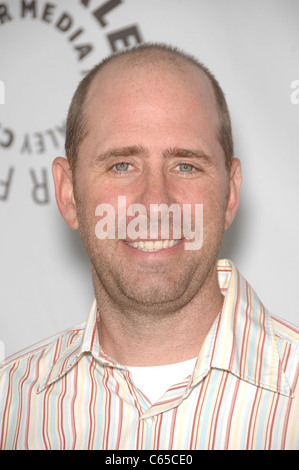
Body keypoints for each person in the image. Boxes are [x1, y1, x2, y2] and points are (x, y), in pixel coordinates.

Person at [0, 43, 298, 450]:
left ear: (230, 195)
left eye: (186, 166)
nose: (156, 202)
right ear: (69, 194)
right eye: (122, 165)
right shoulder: (9, 405)